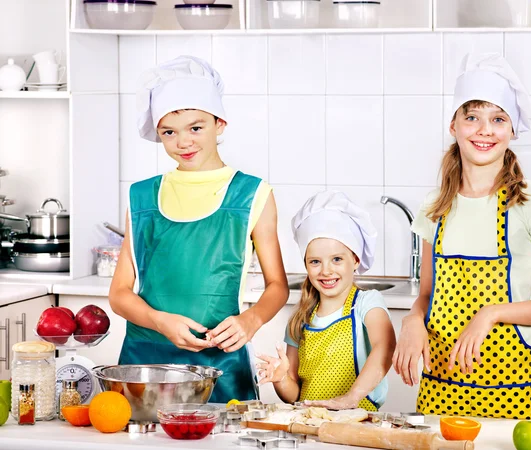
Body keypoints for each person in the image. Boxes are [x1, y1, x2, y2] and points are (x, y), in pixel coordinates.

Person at [392, 53, 531, 420]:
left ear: (511, 130)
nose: (484, 130)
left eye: (497, 119)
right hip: (439, 393)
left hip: (510, 396)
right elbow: (426, 295)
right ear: (454, 125)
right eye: (472, 117)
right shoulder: (435, 206)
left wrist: (491, 314)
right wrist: (412, 320)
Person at [108, 55, 289, 403]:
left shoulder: (253, 194)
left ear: (219, 124)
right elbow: (119, 293)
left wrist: (251, 320)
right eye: (169, 132)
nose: (183, 142)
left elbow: (278, 286)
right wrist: (160, 322)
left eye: (196, 127)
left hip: (219, 364)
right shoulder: (142, 195)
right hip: (146, 365)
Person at [256, 191, 396, 411]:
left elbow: (385, 346)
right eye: (315, 262)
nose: (326, 271)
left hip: (358, 421)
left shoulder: (366, 303)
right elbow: (295, 397)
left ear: (356, 259)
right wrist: (281, 378)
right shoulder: (300, 319)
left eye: (337, 259)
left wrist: (351, 397)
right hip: (311, 423)